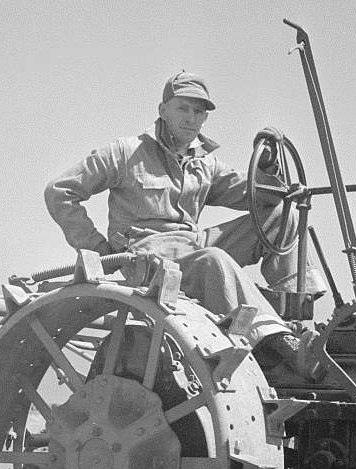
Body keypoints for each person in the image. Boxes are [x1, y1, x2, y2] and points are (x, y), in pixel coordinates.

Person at [44, 70, 326, 379]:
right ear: (163, 110)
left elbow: (261, 199)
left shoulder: (205, 164)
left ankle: (297, 313)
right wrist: (100, 250)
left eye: (199, 111)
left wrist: (269, 167)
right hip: (148, 258)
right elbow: (60, 192)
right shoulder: (125, 153)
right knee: (214, 260)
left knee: (282, 217)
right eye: (183, 108)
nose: (191, 118)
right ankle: (282, 345)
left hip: (194, 249)